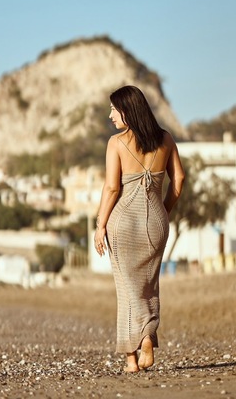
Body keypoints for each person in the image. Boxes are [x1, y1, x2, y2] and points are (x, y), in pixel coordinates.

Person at [94, 85, 185, 373]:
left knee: (127, 289)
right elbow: (179, 180)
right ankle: (146, 335)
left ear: (127, 111)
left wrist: (100, 225)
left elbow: (112, 188)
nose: (110, 115)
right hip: (156, 221)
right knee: (149, 286)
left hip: (123, 222)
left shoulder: (116, 143)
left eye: (114, 109)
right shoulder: (166, 139)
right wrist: (164, 211)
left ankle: (133, 356)